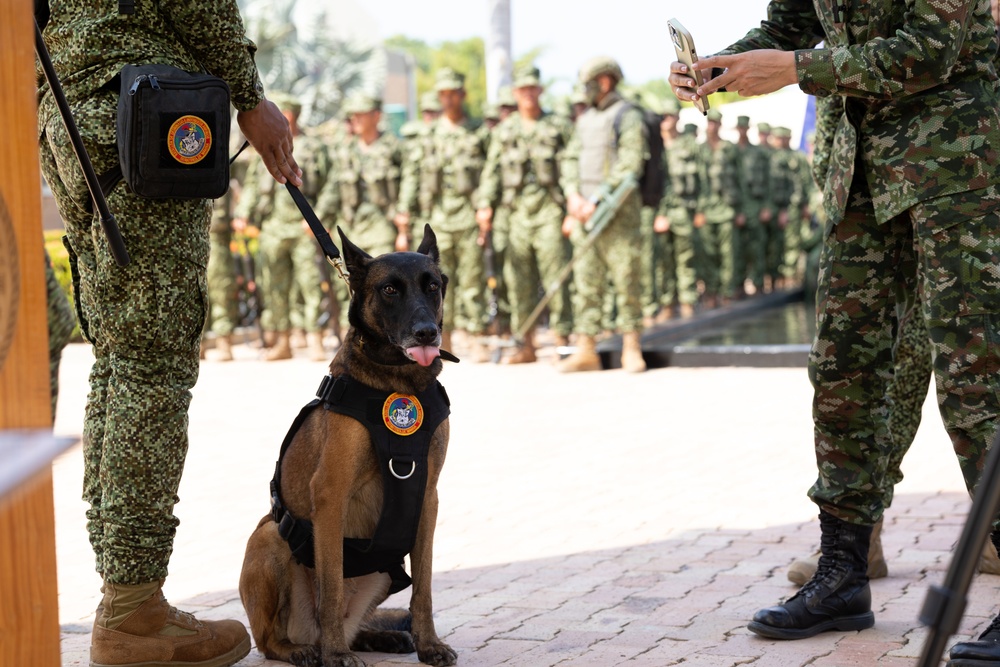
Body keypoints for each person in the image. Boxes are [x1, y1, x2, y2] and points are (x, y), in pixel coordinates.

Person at [670, 1, 1000, 653]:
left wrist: (795, 69)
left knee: (975, 378)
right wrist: (721, 67)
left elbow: (931, 47)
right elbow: (790, 24)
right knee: (844, 372)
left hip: (956, 166)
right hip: (859, 177)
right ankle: (843, 572)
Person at [36, 2, 300, 666]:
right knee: (150, 363)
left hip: (71, 106)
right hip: (141, 104)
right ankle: (132, 608)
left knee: (120, 359)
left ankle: (125, 596)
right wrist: (250, 96)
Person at [476, 64, 574, 363]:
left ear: (540, 90)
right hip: (516, 213)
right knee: (518, 280)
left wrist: (572, 204)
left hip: (549, 210)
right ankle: (526, 343)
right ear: (515, 93)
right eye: (522, 89)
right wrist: (484, 205)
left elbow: (571, 166)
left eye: (533, 88)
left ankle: (562, 339)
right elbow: (492, 170)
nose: (528, 94)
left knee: (556, 275)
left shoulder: (557, 125)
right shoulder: (505, 130)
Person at [558, 56, 646, 373]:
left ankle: (631, 347)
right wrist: (573, 196)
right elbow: (569, 159)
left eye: (589, 83)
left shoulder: (628, 115)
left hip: (618, 216)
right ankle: (587, 349)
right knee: (586, 283)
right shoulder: (584, 120)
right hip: (585, 213)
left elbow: (630, 164)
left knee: (626, 280)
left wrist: (595, 199)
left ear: (605, 82)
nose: (585, 90)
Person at [398, 68, 489, 358]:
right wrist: (403, 211)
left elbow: (490, 173)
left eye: (453, 93)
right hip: (435, 219)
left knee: (472, 278)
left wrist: (485, 204)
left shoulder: (479, 133)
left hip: (468, 215)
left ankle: (474, 333)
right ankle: (442, 334)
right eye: (443, 94)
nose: (448, 99)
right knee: (434, 282)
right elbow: (412, 175)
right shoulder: (427, 135)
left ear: (462, 95)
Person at [234, 93, 331, 363]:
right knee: (273, 285)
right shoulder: (264, 145)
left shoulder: (313, 147)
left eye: (284, 111)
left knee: (310, 284)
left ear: (294, 114)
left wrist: (317, 218)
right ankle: (282, 341)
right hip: (274, 226)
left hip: (302, 227)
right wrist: (243, 213)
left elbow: (329, 185)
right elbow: (253, 185)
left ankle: (315, 339)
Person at [319, 93, 403, 334]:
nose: (353, 119)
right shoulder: (345, 150)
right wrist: (320, 217)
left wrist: (403, 216)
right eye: (351, 115)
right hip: (351, 228)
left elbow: (409, 182)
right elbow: (334, 187)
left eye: (360, 114)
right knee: (348, 284)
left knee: (384, 283)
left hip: (382, 226)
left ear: (376, 116)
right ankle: (357, 335)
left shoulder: (393, 148)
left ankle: (389, 334)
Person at [694, 108, 740, 308]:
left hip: (726, 210)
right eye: (709, 123)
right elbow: (695, 183)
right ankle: (711, 291)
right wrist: (697, 211)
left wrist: (741, 209)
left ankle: (727, 291)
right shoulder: (700, 149)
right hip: (706, 211)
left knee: (728, 254)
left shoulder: (729, 148)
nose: (712, 126)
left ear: (720, 125)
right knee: (707, 253)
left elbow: (741, 179)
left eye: (715, 123)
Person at [733, 115, 771, 298]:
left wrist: (766, 207)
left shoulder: (758, 152)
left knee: (757, 247)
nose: (742, 130)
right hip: (737, 206)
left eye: (744, 127)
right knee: (738, 248)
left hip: (756, 205)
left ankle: (758, 283)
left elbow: (768, 180)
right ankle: (739, 284)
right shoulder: (731, 151)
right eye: (739, 128)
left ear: (748, 129)